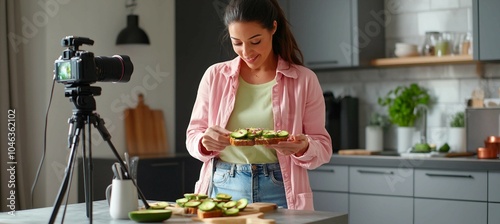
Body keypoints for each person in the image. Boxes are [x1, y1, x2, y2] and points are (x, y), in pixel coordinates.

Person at [185, 0, 332, 210]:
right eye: (237, 43)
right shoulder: (214, 76)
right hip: (222, 188)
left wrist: (303, 147)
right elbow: (193, 136)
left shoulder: (303, 80)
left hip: (280, 188)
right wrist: (204, 141)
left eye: (255, 41)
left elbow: (323, 147)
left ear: (273, 28)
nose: (246, 52)